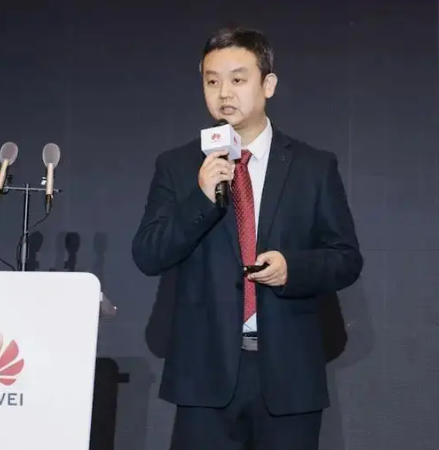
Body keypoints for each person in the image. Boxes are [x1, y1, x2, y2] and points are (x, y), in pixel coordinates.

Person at [131, 26, 363, 450]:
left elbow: (346, 258)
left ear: (268, 84)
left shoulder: (313, 166)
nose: (224, 93)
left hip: (289, 374)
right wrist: (201, 199)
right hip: (205, 375)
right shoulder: (178, 166)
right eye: (212, 81)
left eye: (238, 79)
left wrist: (294, 268)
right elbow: (148, 254)